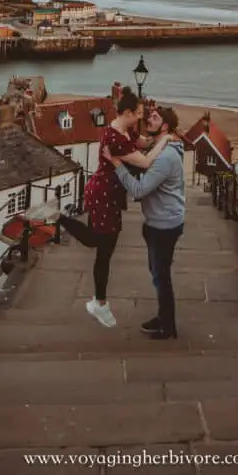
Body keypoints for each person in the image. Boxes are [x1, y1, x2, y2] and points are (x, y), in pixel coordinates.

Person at [57, 86, 169, 328]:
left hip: (104, 193)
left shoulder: (119, 128)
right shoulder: (117, 140)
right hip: (104, 195)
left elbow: (143, 143)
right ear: (127, 112)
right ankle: (100, 303)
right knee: (102, 248)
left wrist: (158, 136)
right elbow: (146, 161)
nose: (141, 117)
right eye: (138, 113)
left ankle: (99, 301)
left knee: (100, 243)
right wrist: (167, 140)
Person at [102, 106, 185, 340]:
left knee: (161, 275)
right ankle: (164, 317)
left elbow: (139, 188)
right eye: (150, 115)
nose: (150, 118)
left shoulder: (166, 157)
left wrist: (116, 163)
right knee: (158, 272)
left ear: (165, 127)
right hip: (161, 220)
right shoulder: (163, 147)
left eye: (156, 118)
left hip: (164, 225)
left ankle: (168, 327)